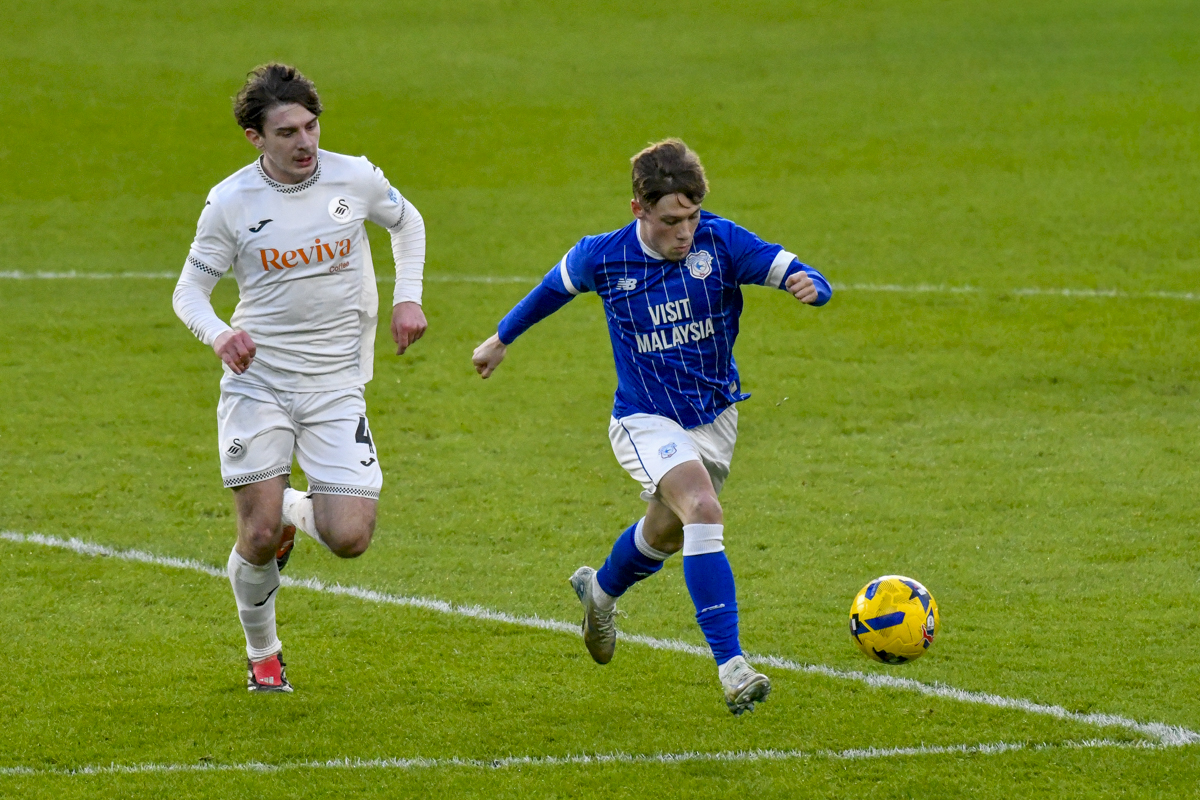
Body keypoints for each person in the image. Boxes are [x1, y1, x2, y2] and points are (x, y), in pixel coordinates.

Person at [471, 139, 831, 714]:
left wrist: (809, 285)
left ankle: (601, 592)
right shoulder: (604, 256)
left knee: (665, 533)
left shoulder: (721, 240)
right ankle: (732, 666)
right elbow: (551, 290)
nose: (684, 232)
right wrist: (500, 338)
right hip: (644, 418)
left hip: (715, 417)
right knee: (704, 511)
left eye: (690, 217)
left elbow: (788, 266)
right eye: (671, 220)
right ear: (639, 207)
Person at [172, 63, 427, 692]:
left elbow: (407, 223)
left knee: (350, 538)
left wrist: (408, 298)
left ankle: (289, 507)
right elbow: (189, 293)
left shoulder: (354, 177)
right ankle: (264, 653)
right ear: (256, 138)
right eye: (286, 132)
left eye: (311, 126)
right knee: (256, 537)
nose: (305, 143)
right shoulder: (230, 203)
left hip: (337, 381)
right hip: (259, 381)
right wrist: (220, 333)